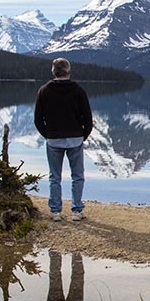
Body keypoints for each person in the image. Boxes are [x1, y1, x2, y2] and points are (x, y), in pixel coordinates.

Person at [34, 58, 93, 221]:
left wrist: (48, 134)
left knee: (54, 176)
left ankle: (55, 212)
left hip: (53, 139)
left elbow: (38, 119)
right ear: (68, 71)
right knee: (78, 175)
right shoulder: (79, 91)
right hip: (75, 139)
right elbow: (88, 119)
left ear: (54, 72)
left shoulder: (44, 91)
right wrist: (82, 136)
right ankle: (76, 211)